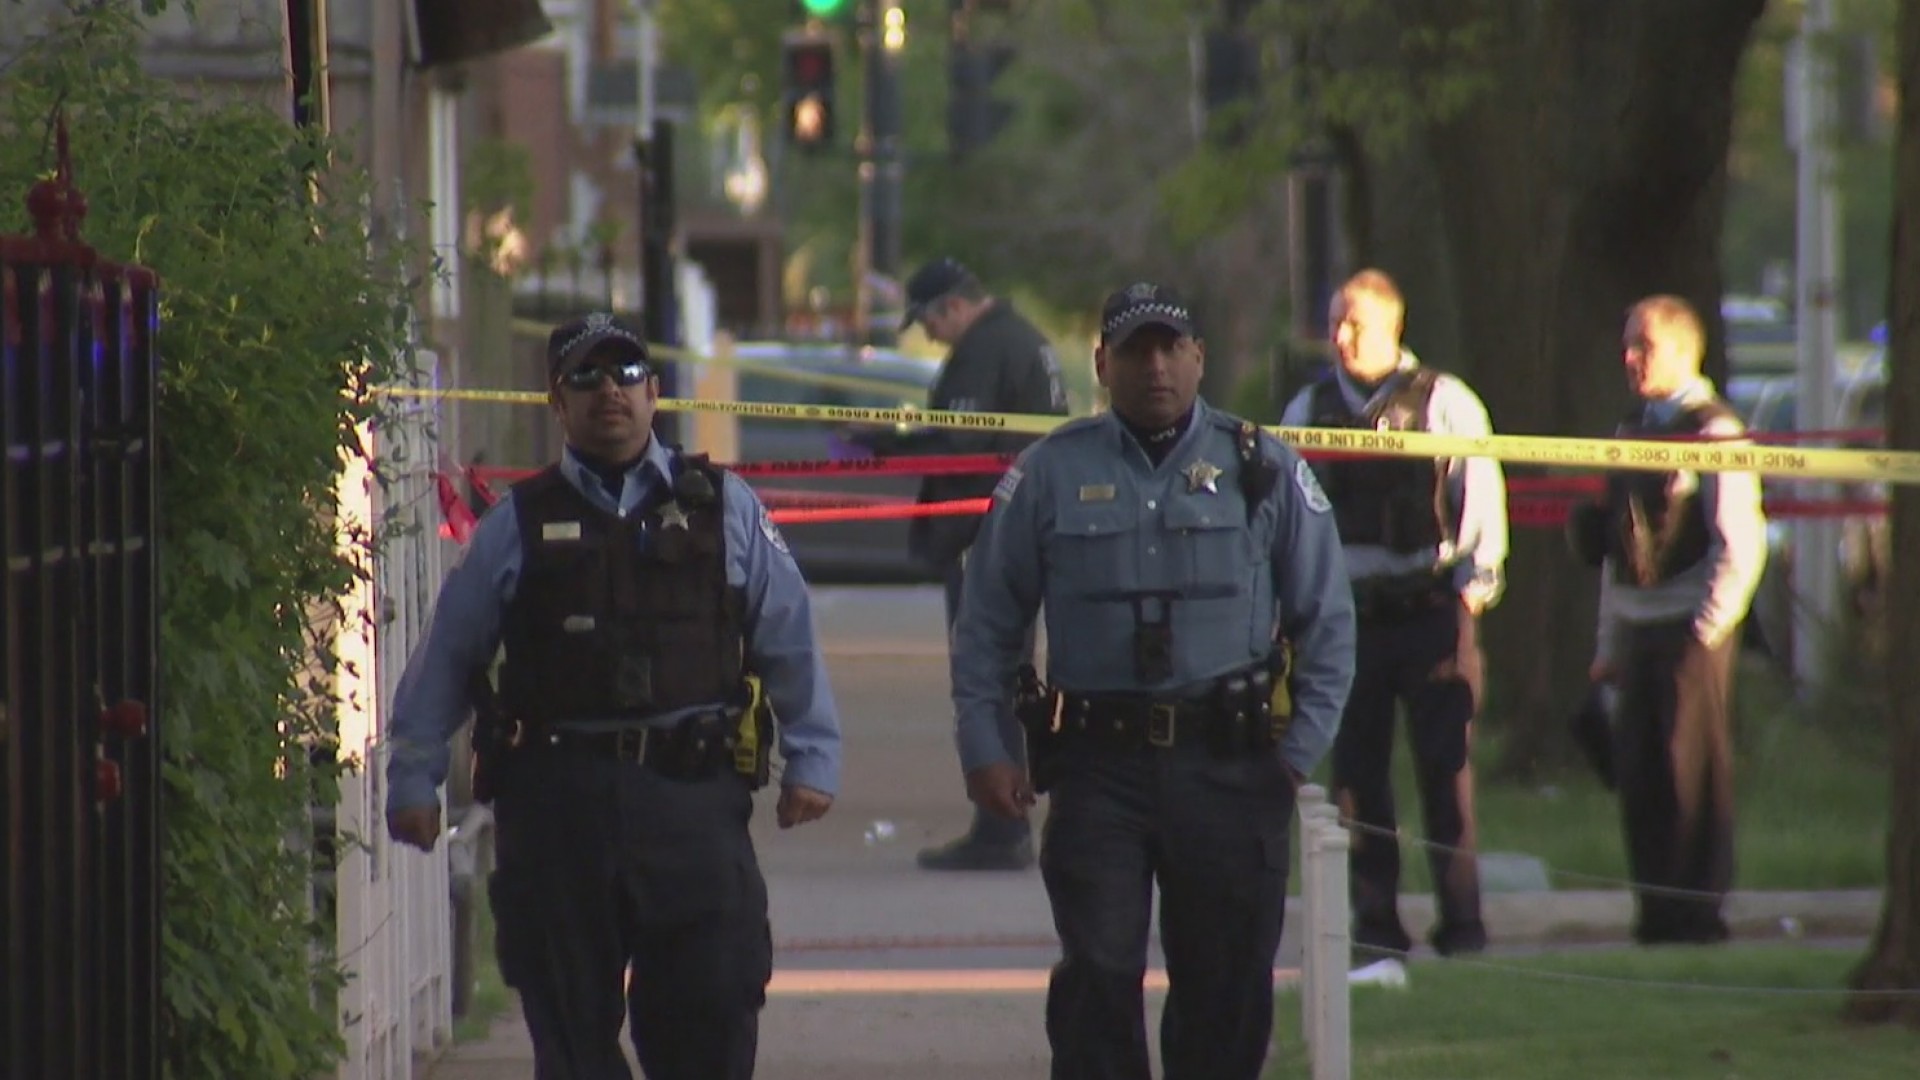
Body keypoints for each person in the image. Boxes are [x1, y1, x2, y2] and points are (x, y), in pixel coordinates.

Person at [384, 313, 842, 1079]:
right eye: (587, 377)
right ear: (555, 403)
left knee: (712, 1014)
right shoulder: (516, 524)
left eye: (627, 374)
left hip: (689, 801)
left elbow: (787, 630)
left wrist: (814, 756)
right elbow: (448, 655)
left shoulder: (725, 508)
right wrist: (413, 776)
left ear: (655, 392)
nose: (611, 392)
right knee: (569, 1037)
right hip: (560, 807)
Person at [950, 282, 1356, 1078]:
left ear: (1200, 357)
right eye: (1136, 350)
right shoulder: (1047, 473)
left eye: (1173, 348)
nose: (1156, 367)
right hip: (1100, 771)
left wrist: (1297, 752)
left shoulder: (1262, 467)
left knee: (1224, 987)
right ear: (1103, 363)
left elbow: (1329, 621)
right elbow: (987, 624)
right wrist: (985, 746)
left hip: (1232, 769)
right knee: (1098, 974)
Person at [1279, 268, 1508, 987]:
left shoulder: (1446, 402)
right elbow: (1283, 517)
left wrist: (1473, 593)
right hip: (1349, 621)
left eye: (1358, 324)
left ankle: (1463, 927)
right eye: (1337, 322)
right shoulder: (1308, 407)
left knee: (1447, 778)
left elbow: (1483, 508)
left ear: (1394, 328)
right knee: (1357, 784)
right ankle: (1376, 932)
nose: (1343, 337)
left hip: (1432, 611)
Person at [845, 256, 1070, 872]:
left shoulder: (985, 348)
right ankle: (1006, 818)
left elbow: (958, 439)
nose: (929, 335)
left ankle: (1001, 828)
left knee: (986, 677)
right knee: (1008, 675)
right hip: (1017, 527)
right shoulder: (1024, 340)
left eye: (927, 322)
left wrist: (888, 442)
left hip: (985, 532)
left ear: (952, 307)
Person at [1579, 294, 1766, 945]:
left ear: (1686, 351)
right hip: (1637, 631)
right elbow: (1618, 554)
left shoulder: (1715, 431)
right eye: (1627, 345)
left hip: (1690, 628)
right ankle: (1655, 915)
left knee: (1693, 779)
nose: (1630, 358)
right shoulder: (1629, 432)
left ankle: (1699, 917)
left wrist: (1707, 629)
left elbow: (1739, 542)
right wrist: (1608, 641)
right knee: (1641, 779)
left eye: (1645, 346)